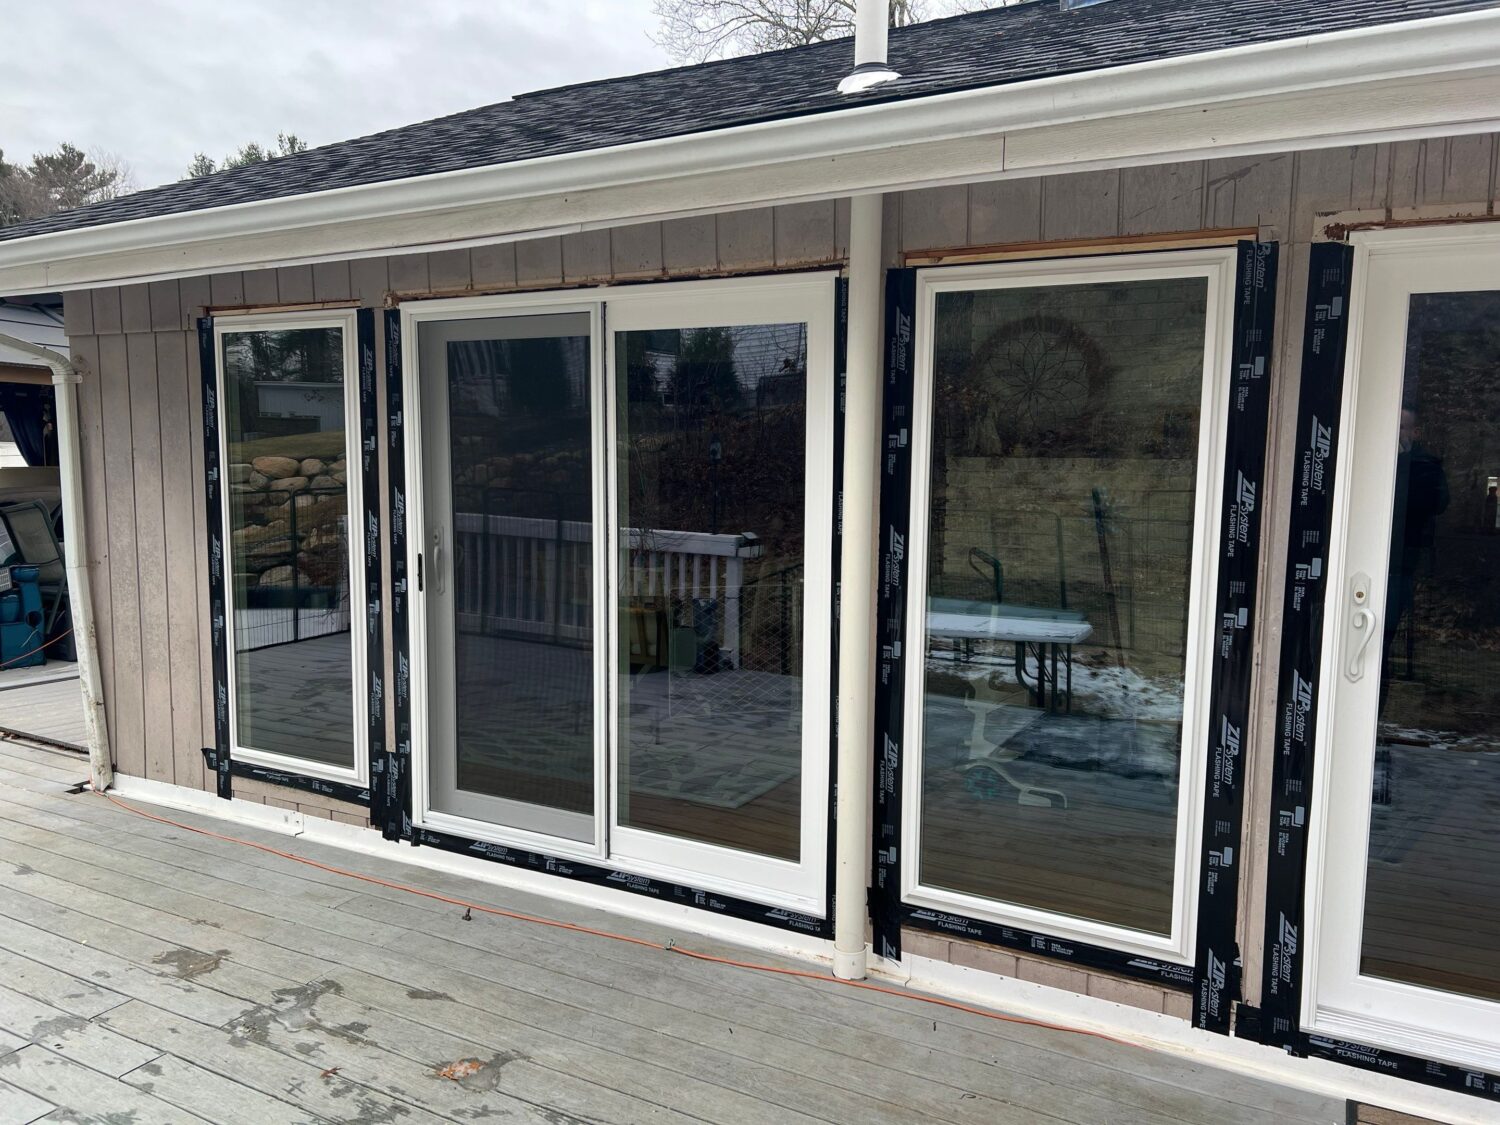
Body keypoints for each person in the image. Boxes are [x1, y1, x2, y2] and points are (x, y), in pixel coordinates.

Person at [1381, 405, 1449, 711]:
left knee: (1378, 647)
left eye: (1402, 427)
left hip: (1399, 569)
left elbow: (1436, 504)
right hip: (1358, 563)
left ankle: (1374, 726)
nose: (1396, 433)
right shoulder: (1372, 457)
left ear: (1414, 433)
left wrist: (1403, 462)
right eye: (1391, 426)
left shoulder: (1425, 466)